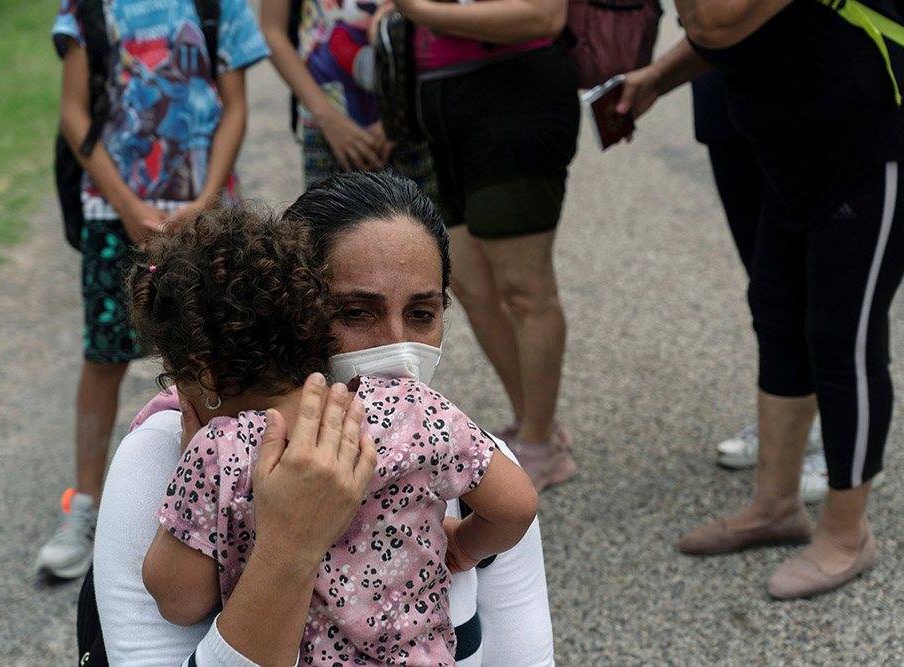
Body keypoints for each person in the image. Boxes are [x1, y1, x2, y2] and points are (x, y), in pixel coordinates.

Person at [91, 171, 557, 665]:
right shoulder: (432, 424)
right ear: (302, 309)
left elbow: (178, 597)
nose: (394, 345)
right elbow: (516, 506)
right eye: (356, 312)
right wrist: (288, 547)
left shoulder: (215, 456)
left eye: (422, 313)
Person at [616, 0, 904, 598]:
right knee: (778, 316)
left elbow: (715, 18)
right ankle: (775, 505)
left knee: (842, 334)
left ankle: (848, 534)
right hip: (794, 144)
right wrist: (660, 77)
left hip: (874, 134)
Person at [37, 0, 269, 579]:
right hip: (113, 217)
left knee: (223, 350)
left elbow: (235, 107)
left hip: (208, 217)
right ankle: (84, 508)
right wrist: (127, 206)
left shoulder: (222, 6)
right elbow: (74, 112)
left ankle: (237, 495)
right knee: (105, 354)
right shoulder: (88, 8)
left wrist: (207, 198)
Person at [389, 0, 580, 492]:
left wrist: (420, 11)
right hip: (443, 108)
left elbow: (545, 16)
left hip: (515, 96)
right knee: (471, 284)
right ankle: (532, 419)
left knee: (523, 287)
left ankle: (539, 443)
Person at [258, 0, 437, 200]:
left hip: (407, 118)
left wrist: (401, 111)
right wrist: (326, 116)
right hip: (327, 128)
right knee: (329, 224)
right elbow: (271, 30)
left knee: (418, 218)